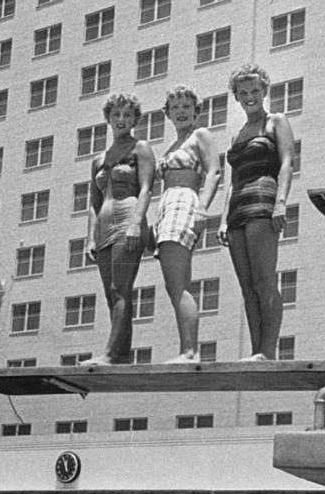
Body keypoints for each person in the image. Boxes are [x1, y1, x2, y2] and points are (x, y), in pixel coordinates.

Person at [218, 63, 295, 361]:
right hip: (238, 207)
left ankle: (268, 349)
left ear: (264, 91)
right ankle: (256, 350)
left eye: (254, 90)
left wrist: (281, 201)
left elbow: (287, 162)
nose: (249, 96)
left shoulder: (275, 122)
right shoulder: (237, 134)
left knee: (264, 280)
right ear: (236, 96)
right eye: (243, 92)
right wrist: (223, 219)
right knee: (247, 286)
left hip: (263, 201)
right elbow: (231, 181)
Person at [84, 93, 156, 365]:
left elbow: (148, 188)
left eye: (127, 115)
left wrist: (138, 222)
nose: (121, 120)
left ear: (135, 118)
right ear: (108, 119)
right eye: (116, 115)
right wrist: (90, 237)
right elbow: (93, 202)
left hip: (128, 219)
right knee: (109, 292)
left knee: (120, 287)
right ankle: (122, 352)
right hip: (103, 225)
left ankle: (112, 353)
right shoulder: (98, 159)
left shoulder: (141, 149)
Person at [154, 86, 221, 363]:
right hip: (167, 207)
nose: (181, 111)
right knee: (173, 284)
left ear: (196, 110)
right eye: (175, 107)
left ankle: (190, 351)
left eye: (186, 106)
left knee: (178, 283)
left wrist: (203, 209)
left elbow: (214, 171)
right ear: (168, 113)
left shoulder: (199, 136)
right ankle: (187, 349)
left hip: (185, 203)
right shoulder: (172, 145)